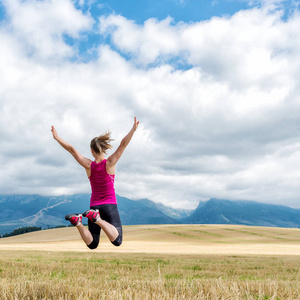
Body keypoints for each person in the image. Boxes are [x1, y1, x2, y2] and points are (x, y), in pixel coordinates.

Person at [51, 117, 139, 249]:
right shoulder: (110, 163)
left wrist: (57, 138)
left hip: (94, 206)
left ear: (92, 151)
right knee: (118, 240)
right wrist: (133, 129)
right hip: (109, 205)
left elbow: (71, 149)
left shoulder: (88, 165)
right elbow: (123, 144)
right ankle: (97, 219)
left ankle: (78, 222)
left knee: (92, 244)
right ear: (103, 149)